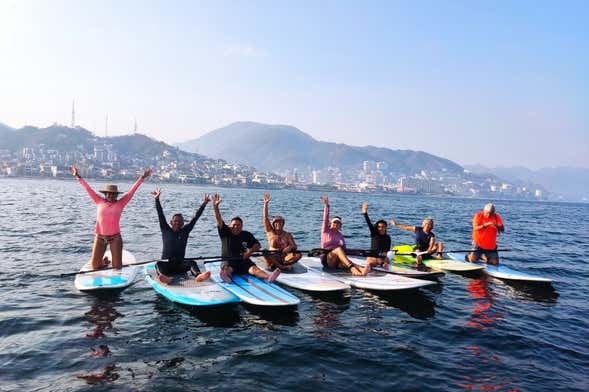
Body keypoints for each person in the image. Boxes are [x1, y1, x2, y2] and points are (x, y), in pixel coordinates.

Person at [70, 166, 151, 270]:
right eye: (109, 194)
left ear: (116, 195)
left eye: (113, 194)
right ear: (105, 194)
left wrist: (142, 177)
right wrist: (77, 176)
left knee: (117, 267)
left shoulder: (121, 203)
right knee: (95, 267)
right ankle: (104, 262)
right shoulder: (98, 201)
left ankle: (108, 261)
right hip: (100, 237)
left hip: (115, 238)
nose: (111, 196)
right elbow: (88, 189)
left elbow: (132, 191)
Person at [212, 193, 280, 283]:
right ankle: (226, 277)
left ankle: (269, 277)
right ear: (229, 226)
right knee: (227, 269)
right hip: (229, 261)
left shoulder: (246, 234)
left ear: (242, 226)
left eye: (238, 225)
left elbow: (257, 245)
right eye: (234, 225)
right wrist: (216, 207)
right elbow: (218, 219)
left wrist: (250, 251)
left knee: (254, 269)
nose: (236, 227)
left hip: (243, 261)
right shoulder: (225, 232)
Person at [152, 188, 211, 284]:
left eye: (180, 221)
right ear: (171, 222)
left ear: (183, 223)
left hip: (180, 265)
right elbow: (160, 214)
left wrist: (204, 204)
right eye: (175, 221)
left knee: (192, 263)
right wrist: (157, 200)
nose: (177, 223)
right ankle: (165, 278)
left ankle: (198, 276)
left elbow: (195, 218)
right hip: (167, 264)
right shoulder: (165, 229)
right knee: (158, 264)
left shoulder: (185, 231)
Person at [319, 196, 370, 276]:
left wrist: (356, 251)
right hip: (327, 259)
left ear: (340, 225)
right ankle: (352, 269)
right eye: (334, 222)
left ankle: (361, 269)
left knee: (345, 261)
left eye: (338, 223)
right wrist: (326, 205)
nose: (336, 224)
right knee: (338, 249)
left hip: (337, 260)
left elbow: (344, 250)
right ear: (330, 224)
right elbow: (325, 218)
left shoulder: (340, 235)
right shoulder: (325, 231)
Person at [262, 193, 301, 271]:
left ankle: (284, 264)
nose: (278, 224)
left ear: (283, 224)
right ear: (273, 224)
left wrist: (289, 247)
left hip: (283, 258)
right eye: (276, 223)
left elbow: (294, 246)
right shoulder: (270, 232)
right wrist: (266, 204)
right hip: (272, 259)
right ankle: (281, 267)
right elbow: (265, 218)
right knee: (265, 252)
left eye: (280, 223)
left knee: (298, 254)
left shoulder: (287, 235)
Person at [362, 202, 392, 269]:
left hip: (382, 257)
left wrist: (385, 253)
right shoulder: (374, 234)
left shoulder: (388, 237)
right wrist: (365, 213)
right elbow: (369, 223)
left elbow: (387, 249)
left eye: (383, 226)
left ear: (386, 227)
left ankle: (382, 263)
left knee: (388, 256)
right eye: (379, 227)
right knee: (370, 260)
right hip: (373, 256)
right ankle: (380, 264)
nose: (381, 228)